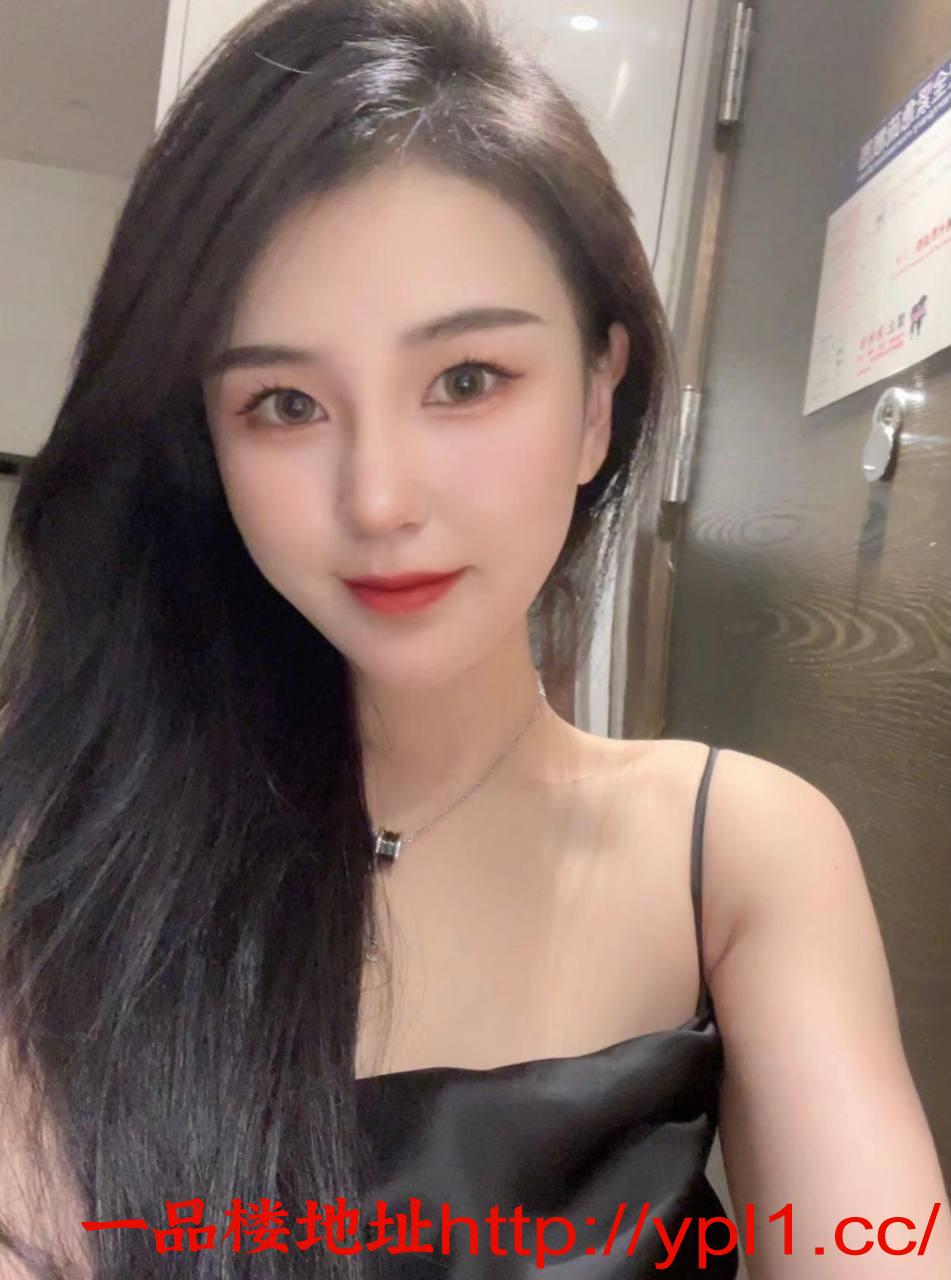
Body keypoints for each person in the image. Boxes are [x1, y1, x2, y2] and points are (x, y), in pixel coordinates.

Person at [0, 0, 947, 1277]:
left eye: (466, 380)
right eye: (284, 402)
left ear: (598, 399)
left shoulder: (736, 856)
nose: (379, 498)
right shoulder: (57, 830)